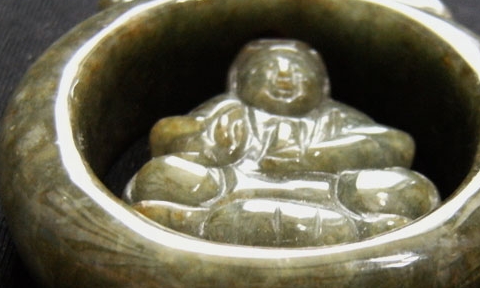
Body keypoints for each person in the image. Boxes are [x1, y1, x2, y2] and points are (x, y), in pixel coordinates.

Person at [124, 39, 440, 246]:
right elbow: (168, 136)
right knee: (162, 174)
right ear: (241, 82)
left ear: (321, 86)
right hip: (232, 188)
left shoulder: (336, 117)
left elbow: (397, 144)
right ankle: (370, 231)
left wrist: (317, 155)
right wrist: (210, 138)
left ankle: (193, 225)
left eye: (298, 71)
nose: (285, 77)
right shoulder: (228, 112)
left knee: (411, 189)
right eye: (269, 70)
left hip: (330, 196)